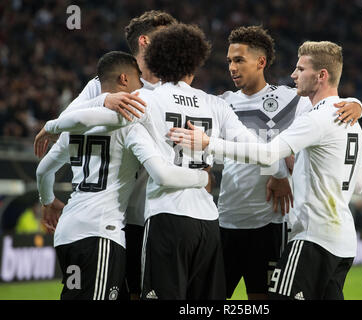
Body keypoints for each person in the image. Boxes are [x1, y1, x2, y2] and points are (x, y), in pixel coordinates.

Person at [37, 23, 291, 299]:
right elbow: (265, 154)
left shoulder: (146, 99)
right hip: (207, 221)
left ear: (156, 59)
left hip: (166, 218)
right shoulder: (216, 105)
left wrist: (53, 125)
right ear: (196, 61)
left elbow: (87, 120)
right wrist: (211, 146)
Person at [169, 40, 362, 300]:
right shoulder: (352, 123)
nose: (293, 74)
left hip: (312, 234)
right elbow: (358, 184)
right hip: (343, 241)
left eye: (300, 69)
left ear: (321, 75)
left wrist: (208, 143)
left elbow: (268, 153)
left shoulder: (314, 115)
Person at [36, 51, 210, 300]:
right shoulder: (130, 123)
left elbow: (43, 170)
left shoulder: (71, 127)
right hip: (101, 231)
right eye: (138, 77)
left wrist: (48, 200)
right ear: (124, 79)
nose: (142, 84)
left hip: (67, 232)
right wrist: (202, 178)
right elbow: (161, 173)